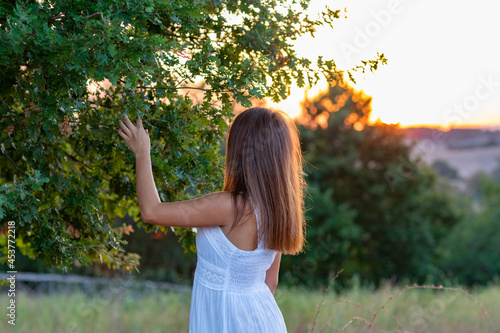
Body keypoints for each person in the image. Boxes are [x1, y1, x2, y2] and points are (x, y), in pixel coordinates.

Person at [117, 107, 306, 332]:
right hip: (264, 319)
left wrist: (142, 153)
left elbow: (152, 211)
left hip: (228, 321)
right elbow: (270, 282)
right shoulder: (279, 211)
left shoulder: (228, 206)